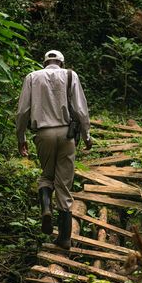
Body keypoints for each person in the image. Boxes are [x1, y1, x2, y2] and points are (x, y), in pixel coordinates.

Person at [16, 50, 92, 249]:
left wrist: (21, 138)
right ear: (61, 62)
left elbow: (23, 111)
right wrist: (87, 135)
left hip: (43, 134)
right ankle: (65, 238)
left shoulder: (32, 77)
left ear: (44, 63)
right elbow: (81, 109)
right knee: (64, 184)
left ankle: (46, 208)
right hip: (66, 135)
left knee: (46, 176)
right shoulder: (70, 75)